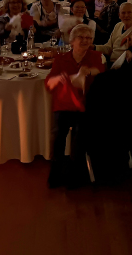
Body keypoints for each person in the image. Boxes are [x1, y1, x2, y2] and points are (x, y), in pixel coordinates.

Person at [45, 24, 105, 188]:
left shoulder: (96, 56)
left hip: (86, 104)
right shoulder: (61, 59)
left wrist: (88, 71)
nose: (85, 40)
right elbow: (49, 83)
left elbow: (101, 70)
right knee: (58, 135)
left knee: (80, 135)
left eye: (89, 38)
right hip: (64, 103)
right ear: (71, 41)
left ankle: (75, 172)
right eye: (81, 37)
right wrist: (59, 79)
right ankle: (56, 171)